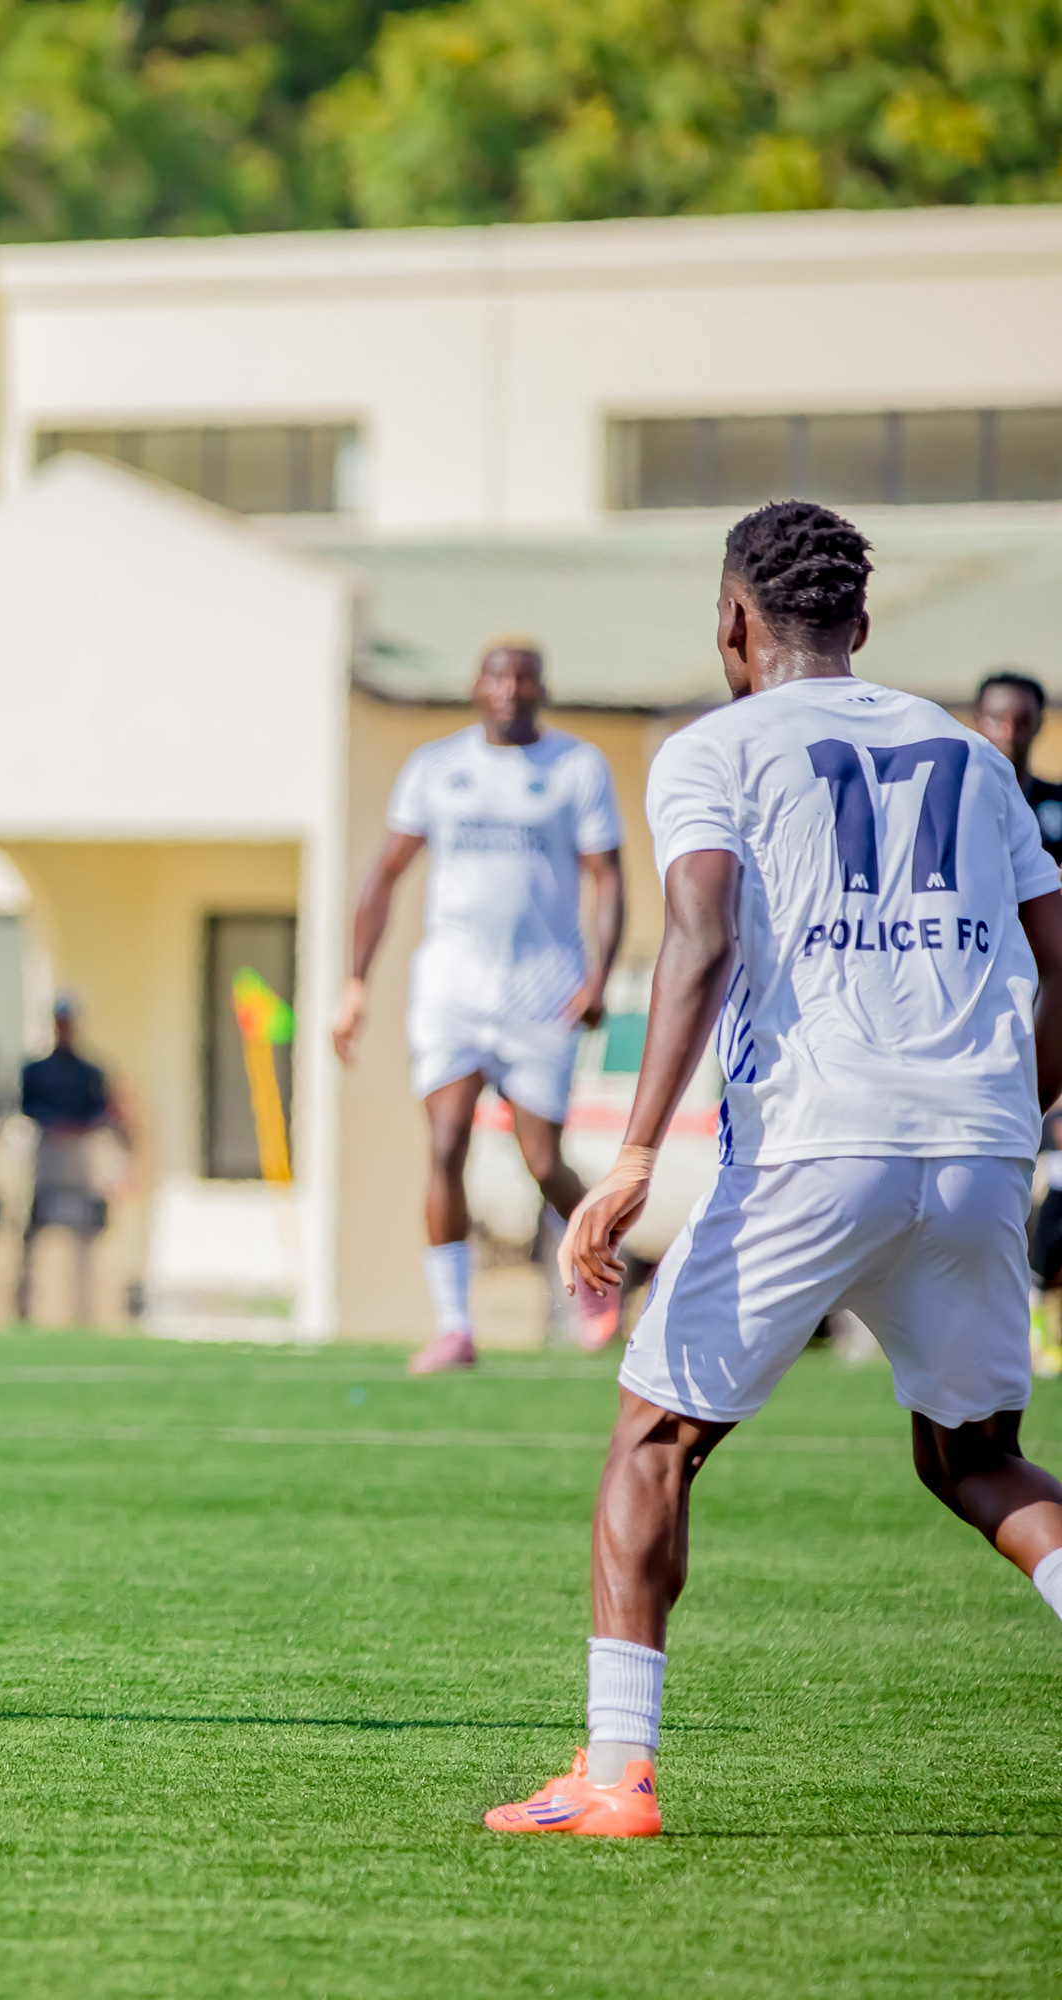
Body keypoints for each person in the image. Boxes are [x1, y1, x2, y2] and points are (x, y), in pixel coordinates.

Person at [491, 500, 1062, 1839]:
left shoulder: (713, 747)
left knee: (654, 1440)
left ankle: (615, 1777)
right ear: (859, 622)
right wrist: (1008, 1112)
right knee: (977, 1458)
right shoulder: (974, 758)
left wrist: (635, 1152)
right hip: (978, 1146)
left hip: (817, 1139)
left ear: (735, 621)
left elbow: (696, 939)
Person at [334, 639, 627, 1373]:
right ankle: (454, 1327)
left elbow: (608, 878)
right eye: (499, 677)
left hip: (541, 989)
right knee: (444, 1144)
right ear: (477, 687)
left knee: (541, 1160)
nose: (511, 690)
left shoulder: (576, 768)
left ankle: (600, 1267)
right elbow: (384, 876)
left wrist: (600, 975)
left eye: (525, 678)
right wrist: (355, 983)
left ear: (541, 689)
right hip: (453, 991)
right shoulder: (436, 768)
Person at [970, 669, 1062, 1379]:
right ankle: (1008, 1307)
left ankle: (1030, 1303)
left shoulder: (1054, 808)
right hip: (983, 1005)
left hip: (1051, 1000)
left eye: (1021, 721)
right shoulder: (957, 800)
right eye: (997, 719)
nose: (1008, 733)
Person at [16, 996, 129, 1327]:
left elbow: (103, 1110)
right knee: (38, 1228)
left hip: (82, 1159)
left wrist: (80, 1129)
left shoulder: (91, 1072)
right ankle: (28, 1306)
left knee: (89, 1233)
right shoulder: (36, 1071)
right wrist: (57, 1125)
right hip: (50, 1157)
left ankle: (92, 1310)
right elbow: (28, 1106)